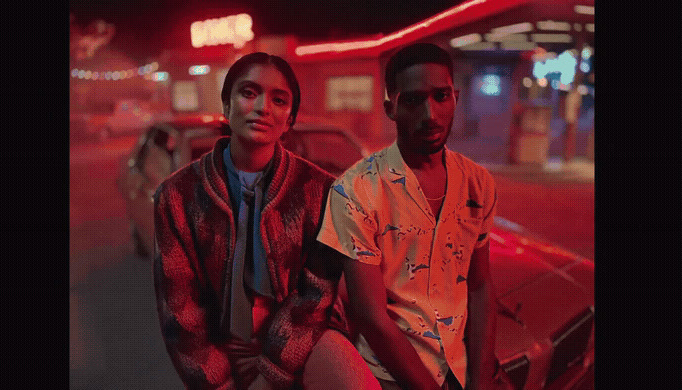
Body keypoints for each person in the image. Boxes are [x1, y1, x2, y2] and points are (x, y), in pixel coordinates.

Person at [153, 52, 379, 390]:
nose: (263, 107)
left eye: (279, 99)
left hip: (306, 342)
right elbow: (180, 311)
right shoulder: (177, 195)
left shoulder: (318, 190)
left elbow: (316, 294)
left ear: (289, 119)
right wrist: (217, 382)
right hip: (223, 347)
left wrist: (269, 372)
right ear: (227, 105)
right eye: (248, 93)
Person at [317, 43, 513, 390]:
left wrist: (481, 379)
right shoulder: (357, 189)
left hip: (460, 368)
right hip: (389, 376)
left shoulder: (477, 183)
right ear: (390, 108)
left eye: (441, 96)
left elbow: (480, 285)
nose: (431, 115)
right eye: (412, 100)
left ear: (456, 96)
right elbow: (371, 316)